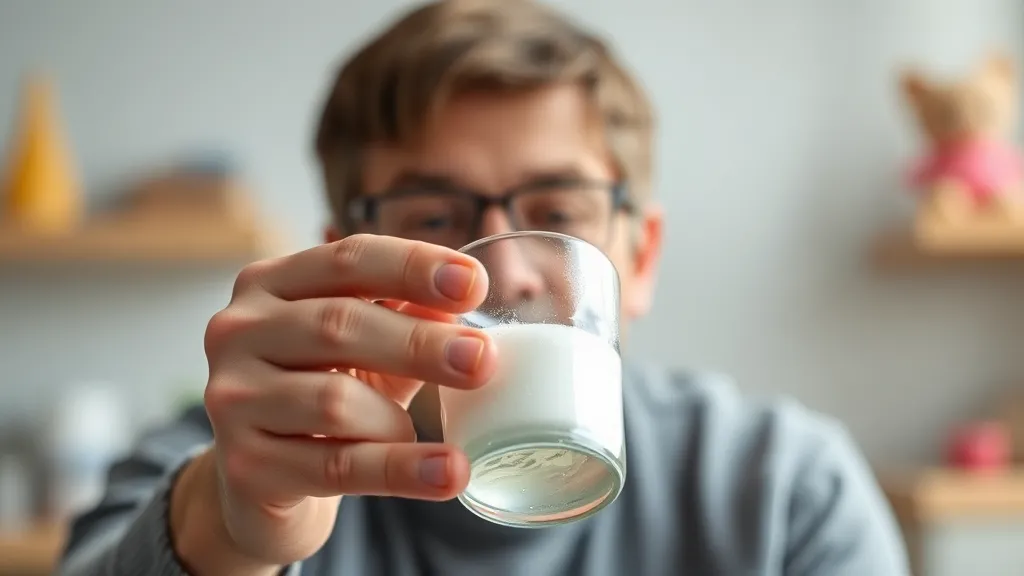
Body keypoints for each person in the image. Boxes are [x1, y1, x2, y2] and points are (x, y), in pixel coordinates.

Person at [58, 1, 910, 574]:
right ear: (347, 265)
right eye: (432, 215)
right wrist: (226, 531)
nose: (502, 266)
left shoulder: (780, 492)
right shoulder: (241, 455)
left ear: (639, 258)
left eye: (559, 211)